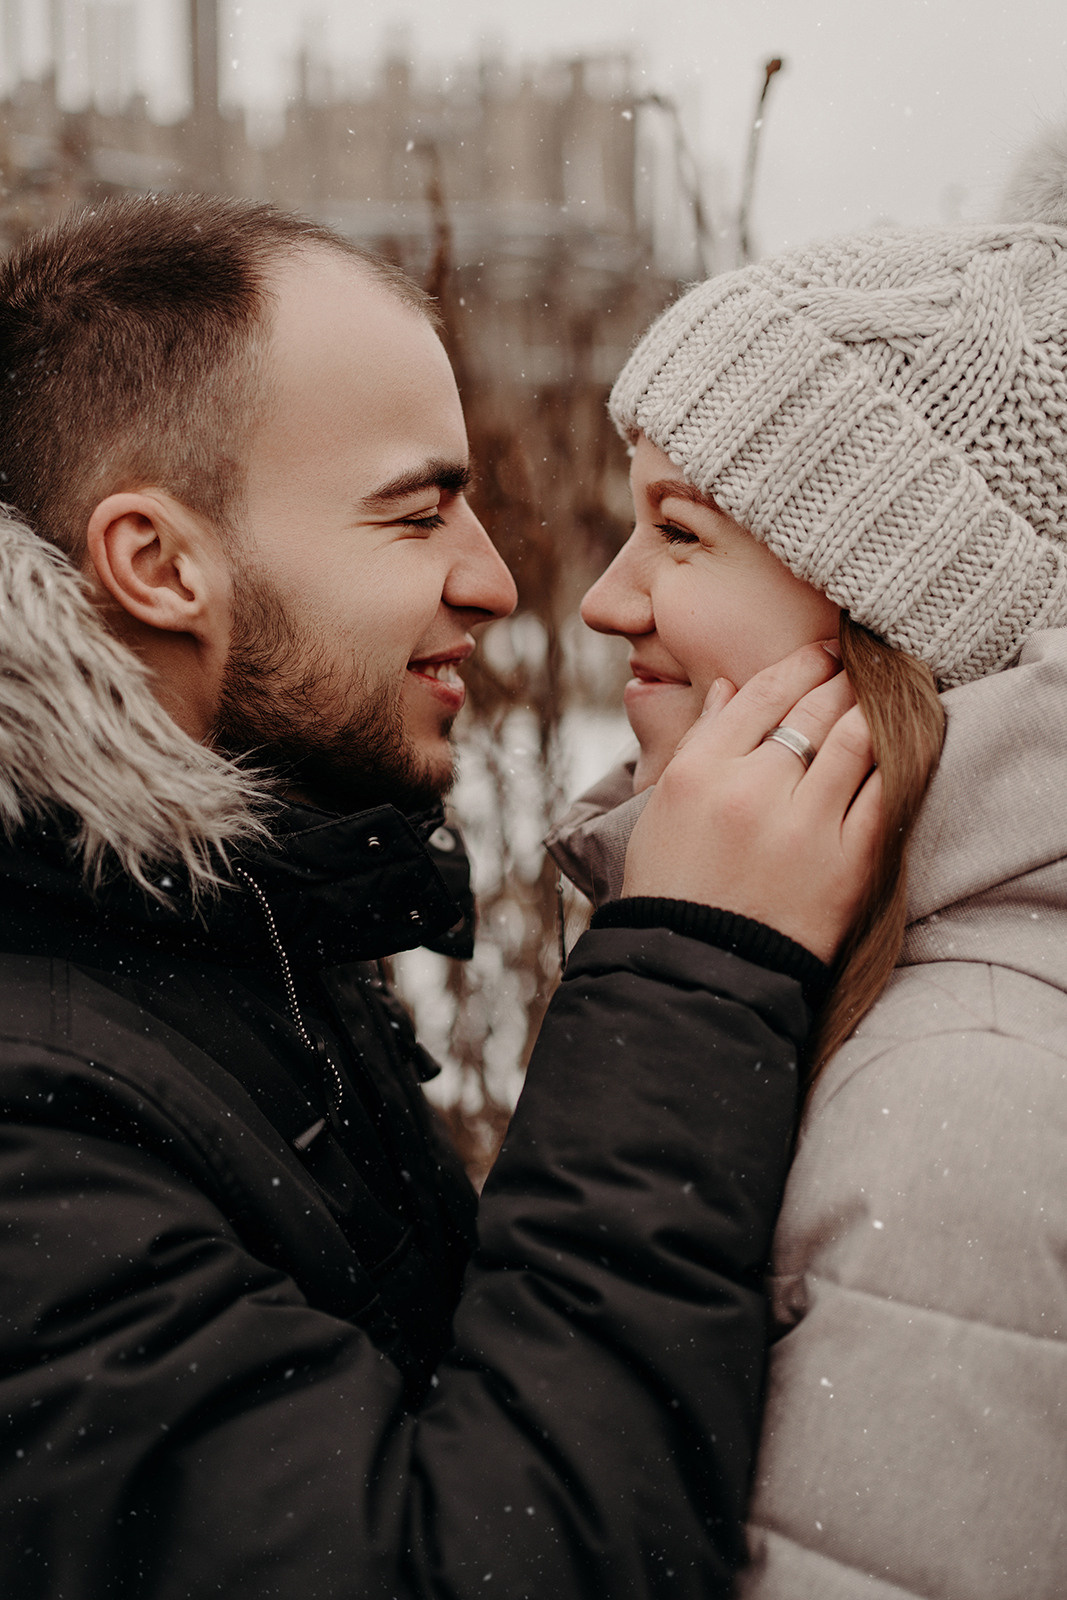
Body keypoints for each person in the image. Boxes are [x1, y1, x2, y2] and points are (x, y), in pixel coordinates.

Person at [0, 193, 879, 1599]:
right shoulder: (35, 1116)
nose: (499, 579)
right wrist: (692, 975)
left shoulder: (217, 929)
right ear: (158, 566)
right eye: (418, 515)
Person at [548, 186, 1067, 1596]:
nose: (605, 599)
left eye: (680, 533)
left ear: (898, 605)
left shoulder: (961, 1096)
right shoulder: (894, 997)